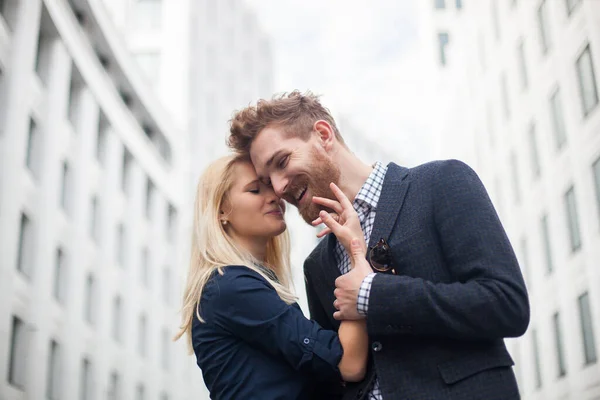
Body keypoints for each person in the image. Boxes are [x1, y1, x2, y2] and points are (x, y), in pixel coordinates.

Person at [227, 91, 530, 400]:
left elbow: (507, 304)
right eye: (267, 179)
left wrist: (371, 294)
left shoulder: (440, 183)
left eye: (282, 161)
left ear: (323, 134)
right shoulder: (317, 265)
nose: (278, 188)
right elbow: (338, 375)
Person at [174, 154, 372, 400]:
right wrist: (359, 262)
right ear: (221, 210)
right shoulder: (232, 287)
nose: (274, 197)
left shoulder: (242, 283)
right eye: (255, 190)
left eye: (272, 187)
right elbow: (348, 363)